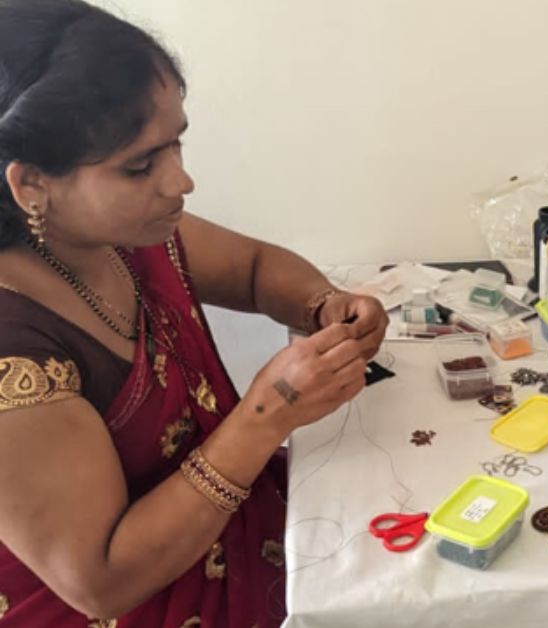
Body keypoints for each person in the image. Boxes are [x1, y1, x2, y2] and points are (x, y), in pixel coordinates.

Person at [0, 1, 388, 625]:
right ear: (32, 184)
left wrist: (323, 304)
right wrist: (264, 418)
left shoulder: (126, 231)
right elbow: (100, 581)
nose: (181, 181)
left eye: (175, 143)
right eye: (141, 165)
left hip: (237, 526)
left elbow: (256, 269)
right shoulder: (14, 355)